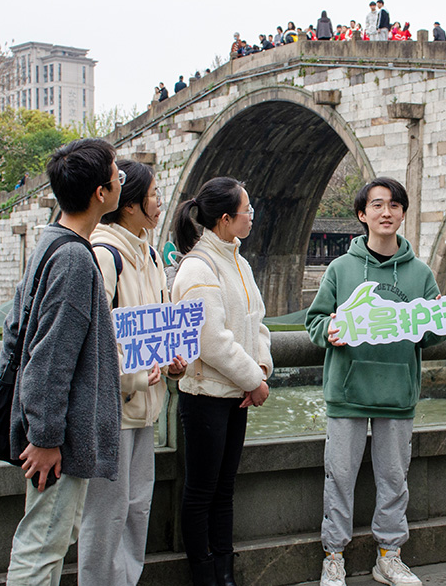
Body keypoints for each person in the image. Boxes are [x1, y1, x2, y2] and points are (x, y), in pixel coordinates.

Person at [307, 177, 446, 586]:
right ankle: (333, 556)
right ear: (362, 214)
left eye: (394, 205)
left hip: (397, 393)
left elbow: (429, 336)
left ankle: (389, 555)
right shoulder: (341, 268)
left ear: (403, 213)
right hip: (348, 392)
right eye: (377, 205)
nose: (386, 213)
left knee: (393, 479)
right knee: (339, 477)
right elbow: (316, 322)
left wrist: (443, 319)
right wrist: (328, 331)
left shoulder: (421, 273)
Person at [3, 138, 123, 585]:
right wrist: (47, 435)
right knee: (43, 547)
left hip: (51, 432)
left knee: (47, 540)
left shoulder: (50, 244)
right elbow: (49, 358)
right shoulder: (74, 257)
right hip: (58, 441)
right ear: (101, 193)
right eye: (118, 176)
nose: (119, 184)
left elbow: (14, 334)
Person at [77, 160, 181, 586]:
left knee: (137, 507)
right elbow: (92, 339)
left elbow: (163, 319)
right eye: (155, 195)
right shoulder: (104, 255)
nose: (160, 203)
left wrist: (176, 356)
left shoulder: (152, 255)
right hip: (113, 409)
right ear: (133, 204)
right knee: (105, 514)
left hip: (148, 406)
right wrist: (134, 375)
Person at [171, 177, 273, 586]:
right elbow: (209, 339)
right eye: (246, 210)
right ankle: (205, 576)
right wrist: (254, 379)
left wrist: (260, 371)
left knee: (224, 488)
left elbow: (258, 324)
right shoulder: (199, 266)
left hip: (236, 394)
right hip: (206, 396)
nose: (251, 216)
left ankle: (225, 573)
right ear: (227, 219)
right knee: (201, 490)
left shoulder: (239, 262)